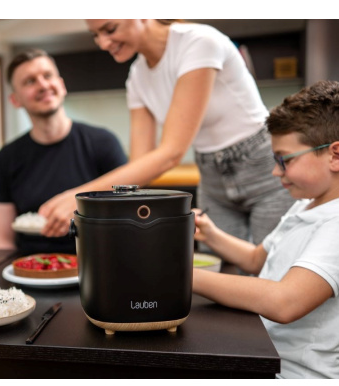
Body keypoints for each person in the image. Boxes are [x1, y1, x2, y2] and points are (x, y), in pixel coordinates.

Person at [39, 20, 295, 245]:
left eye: (110, 29)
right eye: (95, 34)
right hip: (211, 176)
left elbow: (172, 153)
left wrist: (82, 198)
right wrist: (92, 206)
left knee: (273, 264)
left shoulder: (199, 43)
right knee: (220, 265)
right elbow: (141, 166)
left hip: (265, 167)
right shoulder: (137, 77)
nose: (103, 43)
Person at [193, 80, 339, 378]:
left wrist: (178, 275)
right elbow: (257, 259)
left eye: (284, 160)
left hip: (297, 375)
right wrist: (210, 233)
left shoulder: (336, 222)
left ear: (335, 156)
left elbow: (285, 301)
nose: (275, 171)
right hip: (265, 353)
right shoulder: (306, 205)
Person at [0, 49, 127, 254]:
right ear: (15, 100)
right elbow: (0, 240)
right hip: (30, 264)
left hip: (98, 260)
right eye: (30, 81)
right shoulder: (4, 159)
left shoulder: (104, 142)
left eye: (48, 75)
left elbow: (128, 215)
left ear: (61, 85)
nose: (43, 85)